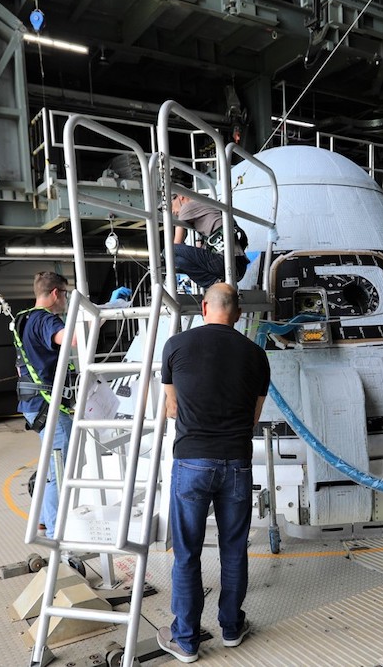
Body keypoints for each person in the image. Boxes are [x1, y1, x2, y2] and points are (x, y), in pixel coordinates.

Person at [157, 283, 270, 663]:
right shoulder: (256, 355)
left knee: (187, 552)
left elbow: (171, 409)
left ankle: (186, 641)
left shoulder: (175, 346)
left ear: (204, 307)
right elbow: (253, 419)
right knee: (234, 549)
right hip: (236, 461)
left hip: (191, 461)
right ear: (237, 313)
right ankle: (232, 628)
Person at [13, 272, 130, 536]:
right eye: (65, 294)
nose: (66, 300)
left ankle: (44, 519)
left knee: (49, 466)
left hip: (35, 404)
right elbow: (73, 338)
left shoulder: (25, 318)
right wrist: (105, 313)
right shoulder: (44, 320)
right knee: (58, 470)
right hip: (49, 406)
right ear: (56, 293)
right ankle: (56, 534)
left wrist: (103, 308)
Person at [172, 192, 249, 290]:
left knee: (169, 251)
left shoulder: (188, 206)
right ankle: (216, 283)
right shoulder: (208, 204)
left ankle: (214, 283)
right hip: (239, 266)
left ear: (180, 196)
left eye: (170, 205)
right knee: (180, 261)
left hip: (224, 262)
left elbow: (176, 245)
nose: (172, 211)